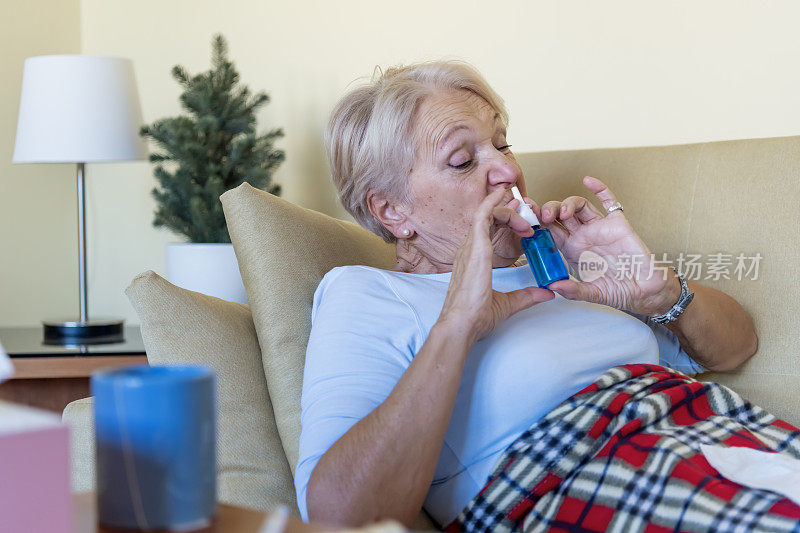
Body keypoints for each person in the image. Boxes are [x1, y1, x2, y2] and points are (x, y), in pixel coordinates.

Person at [294, 61, 758, 528]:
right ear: (393, 211)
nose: (508, 169)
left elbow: (737, 347)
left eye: (502, 144)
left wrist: (660, 294)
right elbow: (338, 515)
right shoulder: (368, 293)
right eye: (463, 160)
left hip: (723, 444)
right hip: (603, 491)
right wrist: (458, 324)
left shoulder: (563, 273)